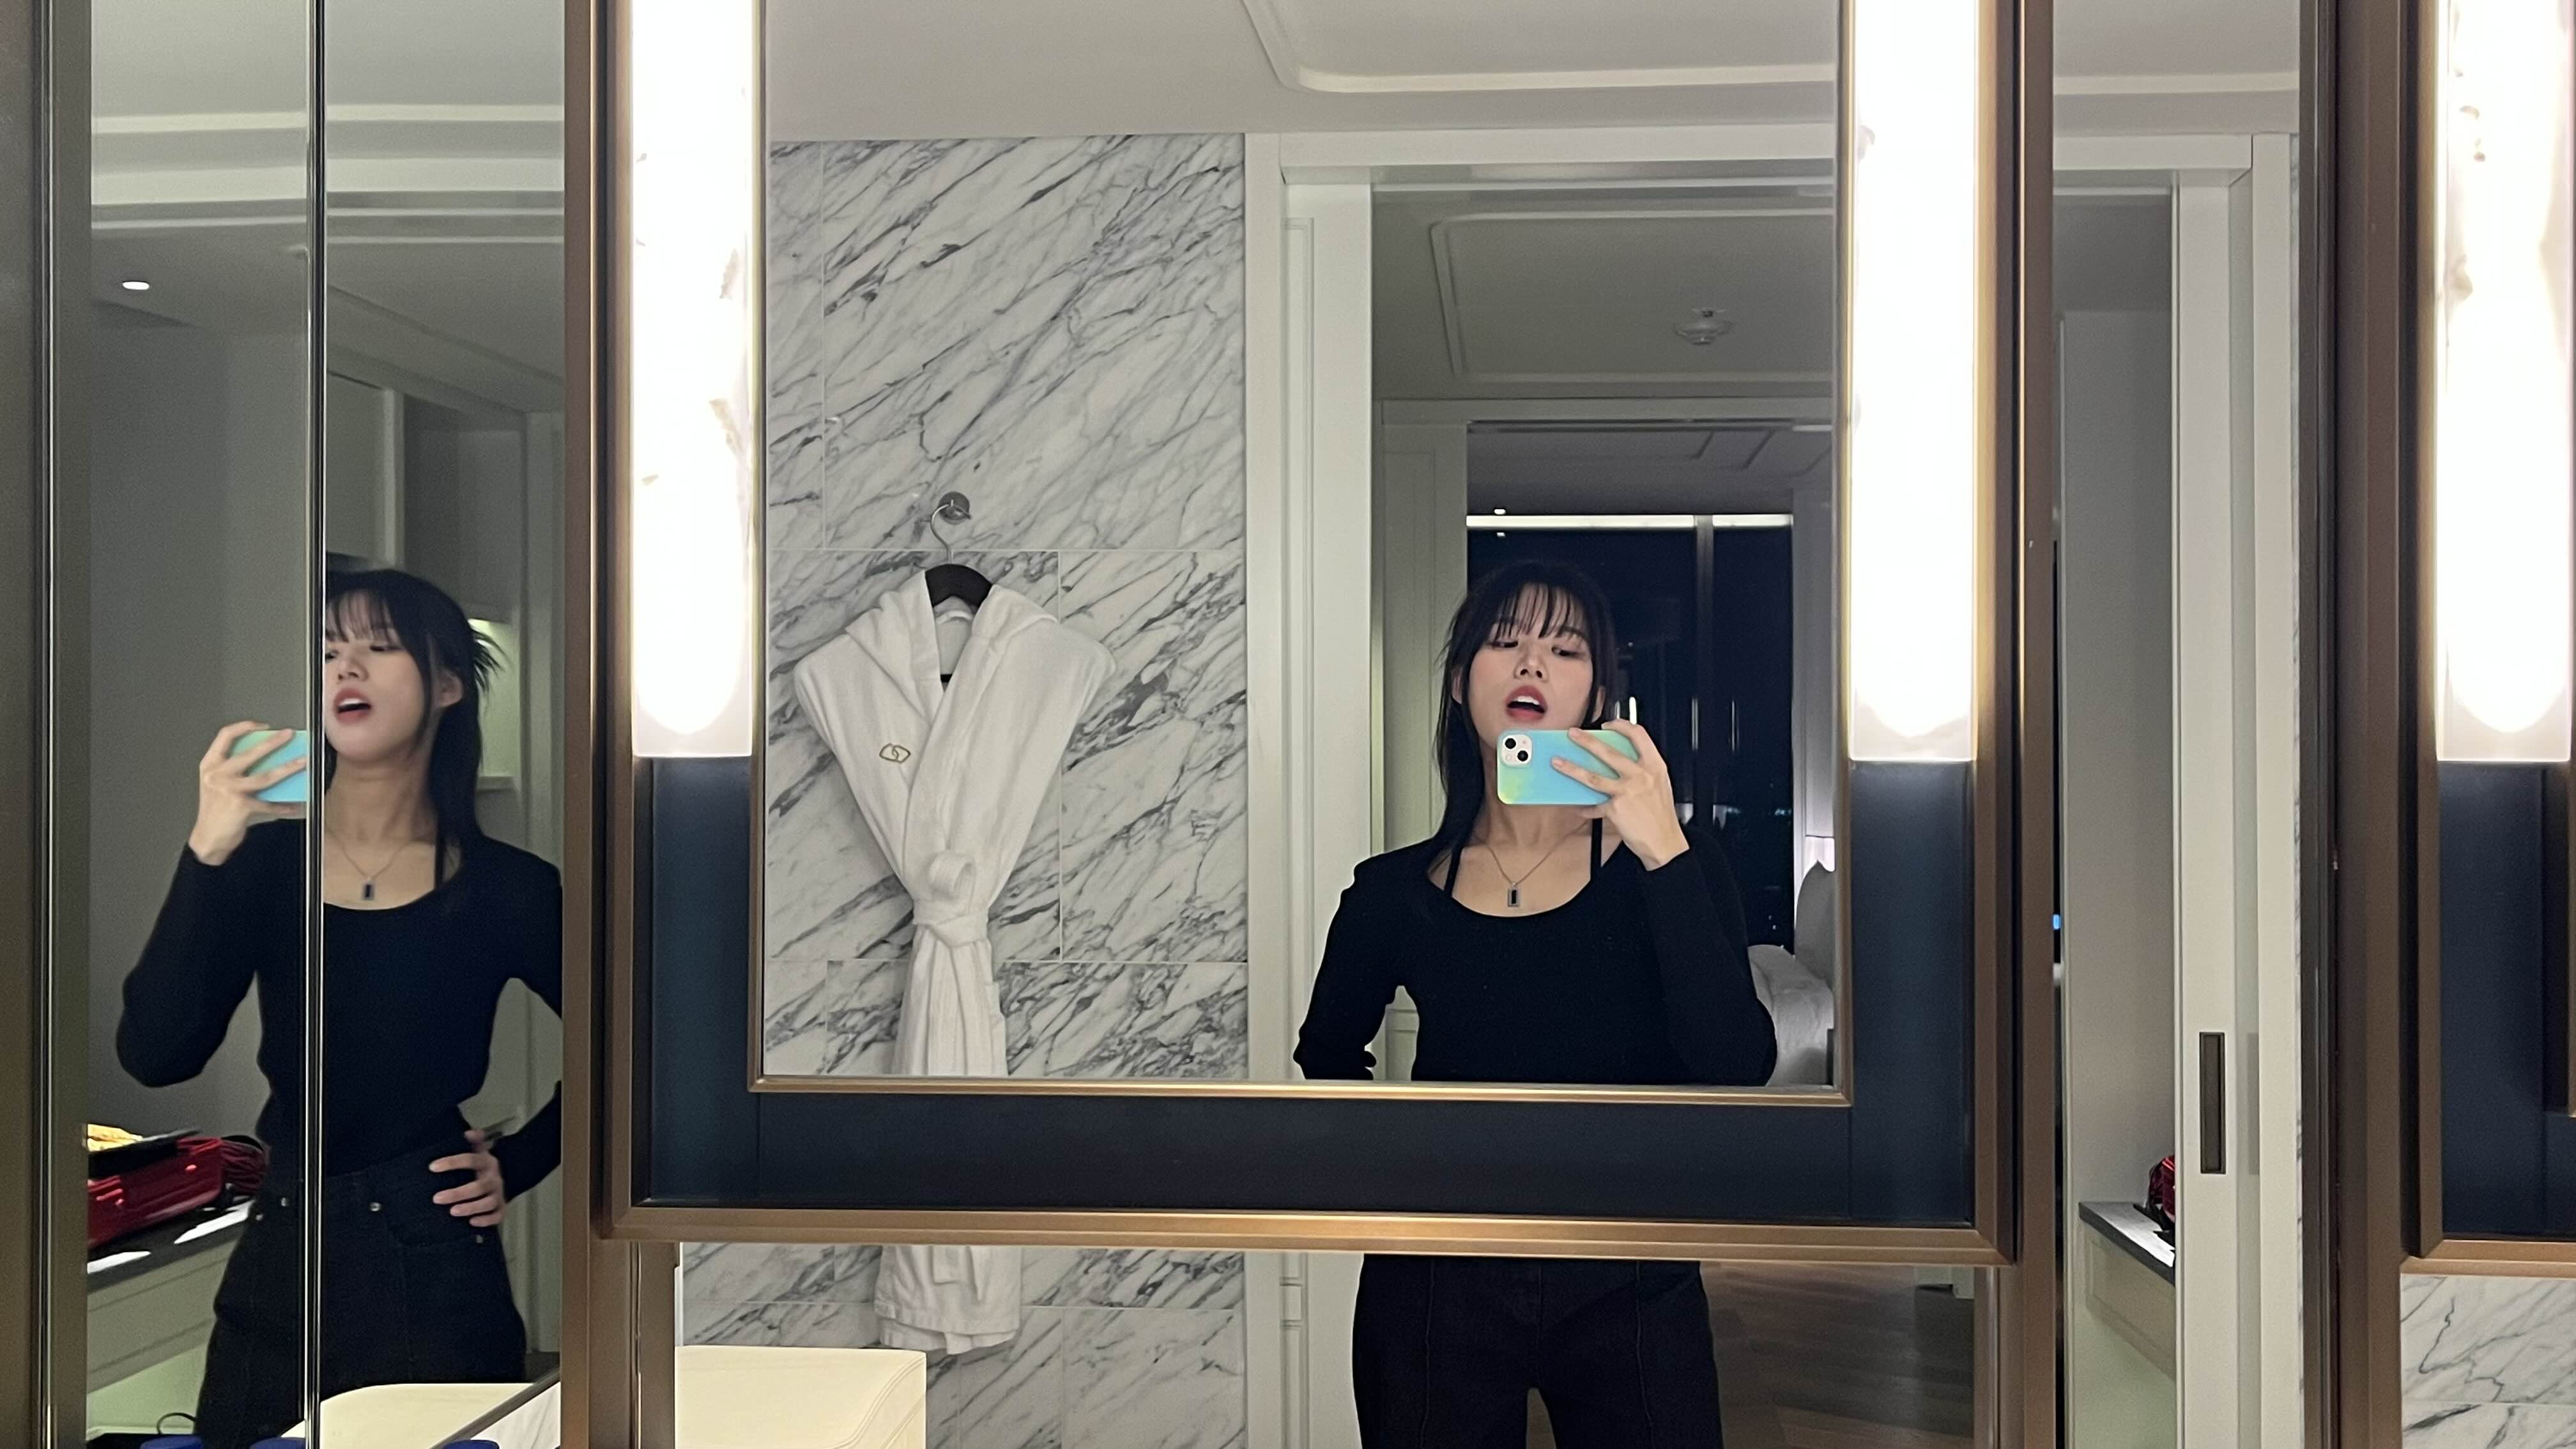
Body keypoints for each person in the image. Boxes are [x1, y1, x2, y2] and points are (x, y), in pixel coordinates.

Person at [1294, 559, 1775, 1449]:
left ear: (1597, 697)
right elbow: (1326, 1059)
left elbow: (1737, 1064)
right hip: (1439, 1274)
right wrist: (1401, 1188)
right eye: (1503, 642)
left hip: (1632, 1269)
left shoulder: (1673, 865)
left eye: (1566, 649)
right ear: (1458, 682)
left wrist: (1662, 849)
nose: (1532, 664)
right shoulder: (1394, 893)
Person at [118, 568, 563, 1449]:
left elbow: (633, 1052)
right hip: (282, 1236)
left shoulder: (507, 889)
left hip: (430, 1244)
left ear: (446, 685)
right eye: (328, 652)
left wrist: (519, 1163)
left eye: (378, 647)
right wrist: (208, 848)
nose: (345, 668)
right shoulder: (261, 866)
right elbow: (156, 1052)